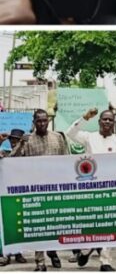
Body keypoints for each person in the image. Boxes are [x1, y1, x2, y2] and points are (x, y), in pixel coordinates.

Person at [66, 108, 116, 271]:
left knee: (108, 224)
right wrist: (85, 117)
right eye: (104, 119)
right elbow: (70, 133)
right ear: (99, 121)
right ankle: (84, 251)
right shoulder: (89, 137)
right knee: (89, 223)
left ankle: (105, 261)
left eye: (110, 120)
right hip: (89, 188)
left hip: (110, 189)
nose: (107, 122)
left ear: (114, 123)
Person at [11, 110, 68, 271]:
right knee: (39, 226)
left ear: (48, 121)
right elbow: (12, 161)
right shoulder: (28, 140)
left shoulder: (58, 137)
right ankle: (40, 261)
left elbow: (66, 161)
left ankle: (52, 251)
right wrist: (21, 143)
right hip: (36, 189)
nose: (42, 124)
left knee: (55, 225)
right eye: (39, 121)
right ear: (34, 122)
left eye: (44, 121)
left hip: (56, 189)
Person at [0, 129, 27, 266]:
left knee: (19, 225)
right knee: (6, 225)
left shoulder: (27, 155)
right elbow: (9, 159)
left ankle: (18, 253)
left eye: (16, 140)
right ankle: (6, 254)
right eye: (12, 140)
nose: (13, 142)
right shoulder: (5, 154)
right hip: (6, 193)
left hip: (21, 192)